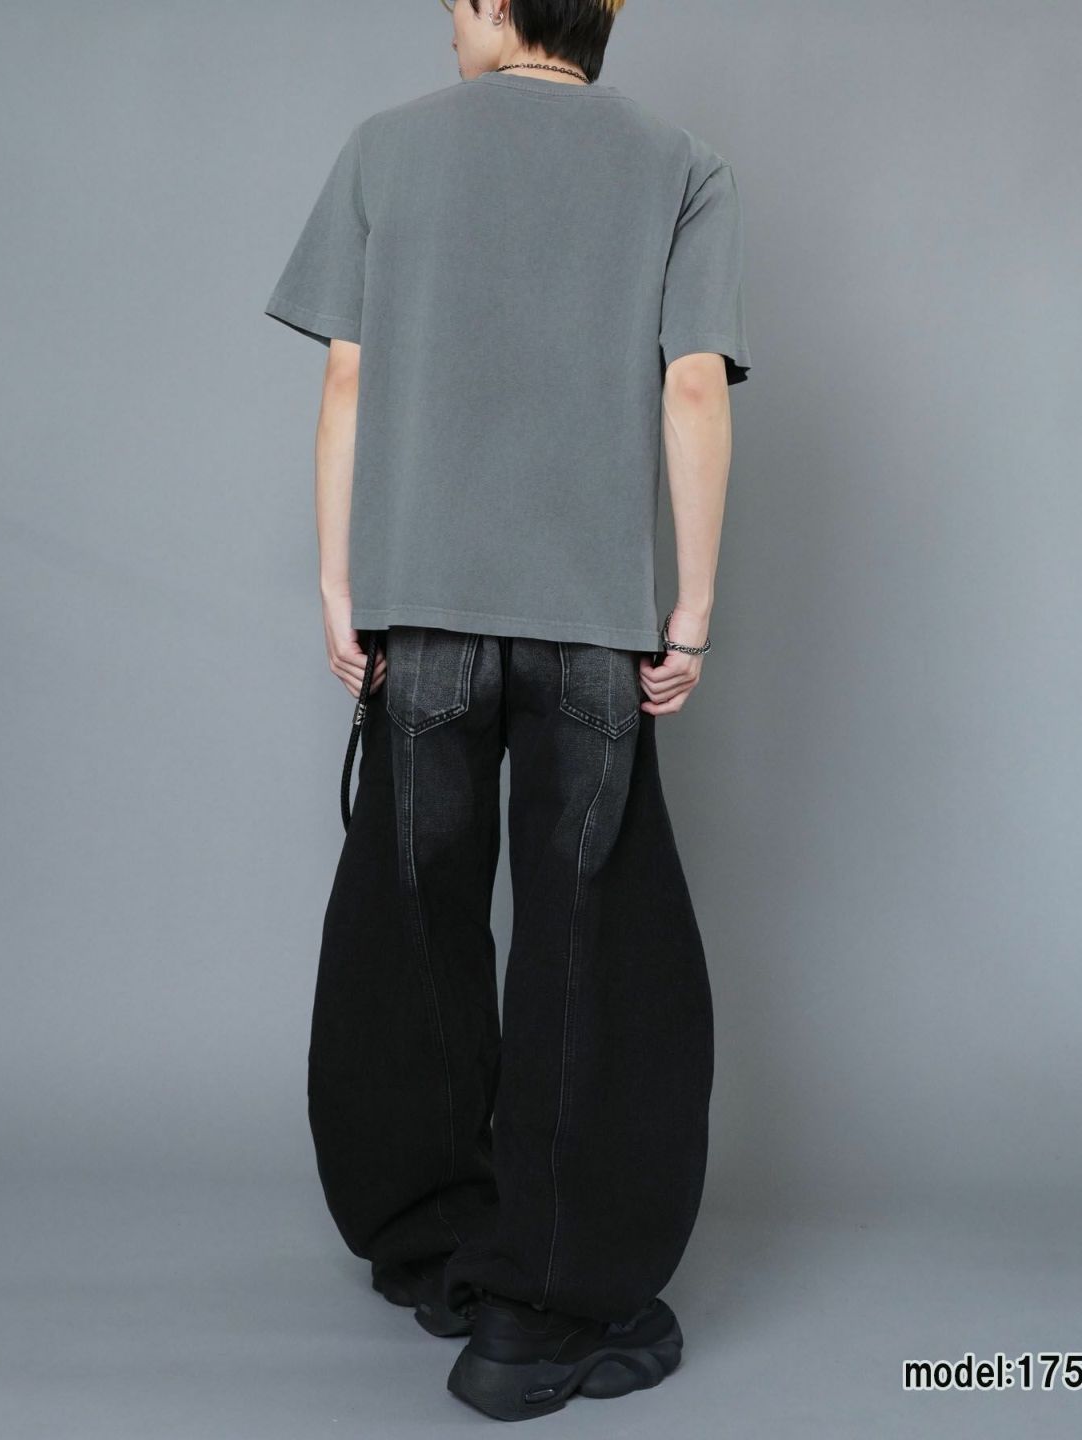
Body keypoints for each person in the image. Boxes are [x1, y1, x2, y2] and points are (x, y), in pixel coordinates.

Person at [263, 0, 750, 1422]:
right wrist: (689, 611)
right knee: (590, 949)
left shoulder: (386, 149)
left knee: (413, 923)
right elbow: (693, 389)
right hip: (593, 629)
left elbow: (348, 378)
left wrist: (343, 588)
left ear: (492, 1)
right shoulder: (681, 165)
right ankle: (545, 1306)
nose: (445, 23)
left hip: (424, 625)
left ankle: (434, 1246)